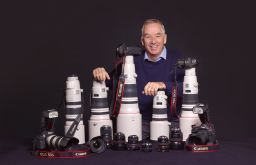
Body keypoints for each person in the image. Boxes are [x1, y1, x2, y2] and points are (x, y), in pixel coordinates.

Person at [92, 19, 184, 139]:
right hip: (138, 122)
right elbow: (110, 83)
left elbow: (187, 90)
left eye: (158, 36)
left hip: (170, 122)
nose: (153, 41)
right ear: (142, 40)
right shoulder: (132, 59)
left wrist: (164, 85)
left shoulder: (177, 59)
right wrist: (99, 74)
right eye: (148, 37)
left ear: (165, 38)